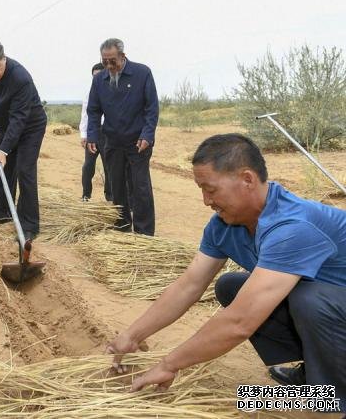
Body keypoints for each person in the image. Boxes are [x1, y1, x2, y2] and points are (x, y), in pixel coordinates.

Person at [105, 133, 346, 414]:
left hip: (331, 305)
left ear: (247, 179)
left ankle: (333, 396)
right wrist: (132, 335)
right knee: (231, 286)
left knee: (308, 299)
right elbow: (189, 285)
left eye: (211, 189)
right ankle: (315, 373)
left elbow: (240, 322)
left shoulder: (292, 227)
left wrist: (168, 365)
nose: (206, 200)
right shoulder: (224, 224)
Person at [0, 40, 47, 241]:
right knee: (4, 170)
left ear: (4, 59)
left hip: (29, 126)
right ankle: (3, 212)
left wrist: (4, 151)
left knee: (24, 170)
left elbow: (19, 119)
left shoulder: (20, 78)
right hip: (8, 125)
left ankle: (29, 226)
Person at [87, 38, 159, 235]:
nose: (109, 65)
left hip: (138, 142)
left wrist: (147, 134)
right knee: (116, 186)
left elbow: (151, 108)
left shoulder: (142, 73)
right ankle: (122, 226)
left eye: (113, 61)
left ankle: (144, 233)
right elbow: (93, 111)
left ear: (123, 56)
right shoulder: (99, 80)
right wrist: (92, 135)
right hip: (112, 141)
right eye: (105, 61)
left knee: (140, 187)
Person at [79, 62, 111, 202]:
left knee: (108, 167)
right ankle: (86, 195)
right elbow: (85, 115)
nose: (96, 79)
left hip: (108, 134)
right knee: (88, 166)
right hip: (93, 133)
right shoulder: (89, 93)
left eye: (98, 76)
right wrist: (83, 135)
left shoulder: (113, 91)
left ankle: (110, 197)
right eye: (93, 76)